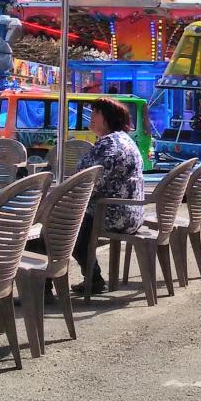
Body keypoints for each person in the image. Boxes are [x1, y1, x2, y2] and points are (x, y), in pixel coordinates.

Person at [72, 97, 144, 296]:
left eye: (96, 113)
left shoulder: (109, 144)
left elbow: (91, 181)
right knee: (68, 228)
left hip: (111, 212)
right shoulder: (122, 139)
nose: (91, 116)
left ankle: (41, 286)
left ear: (108, 118)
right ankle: (93, 278)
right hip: (130, 213)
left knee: (60, 230)